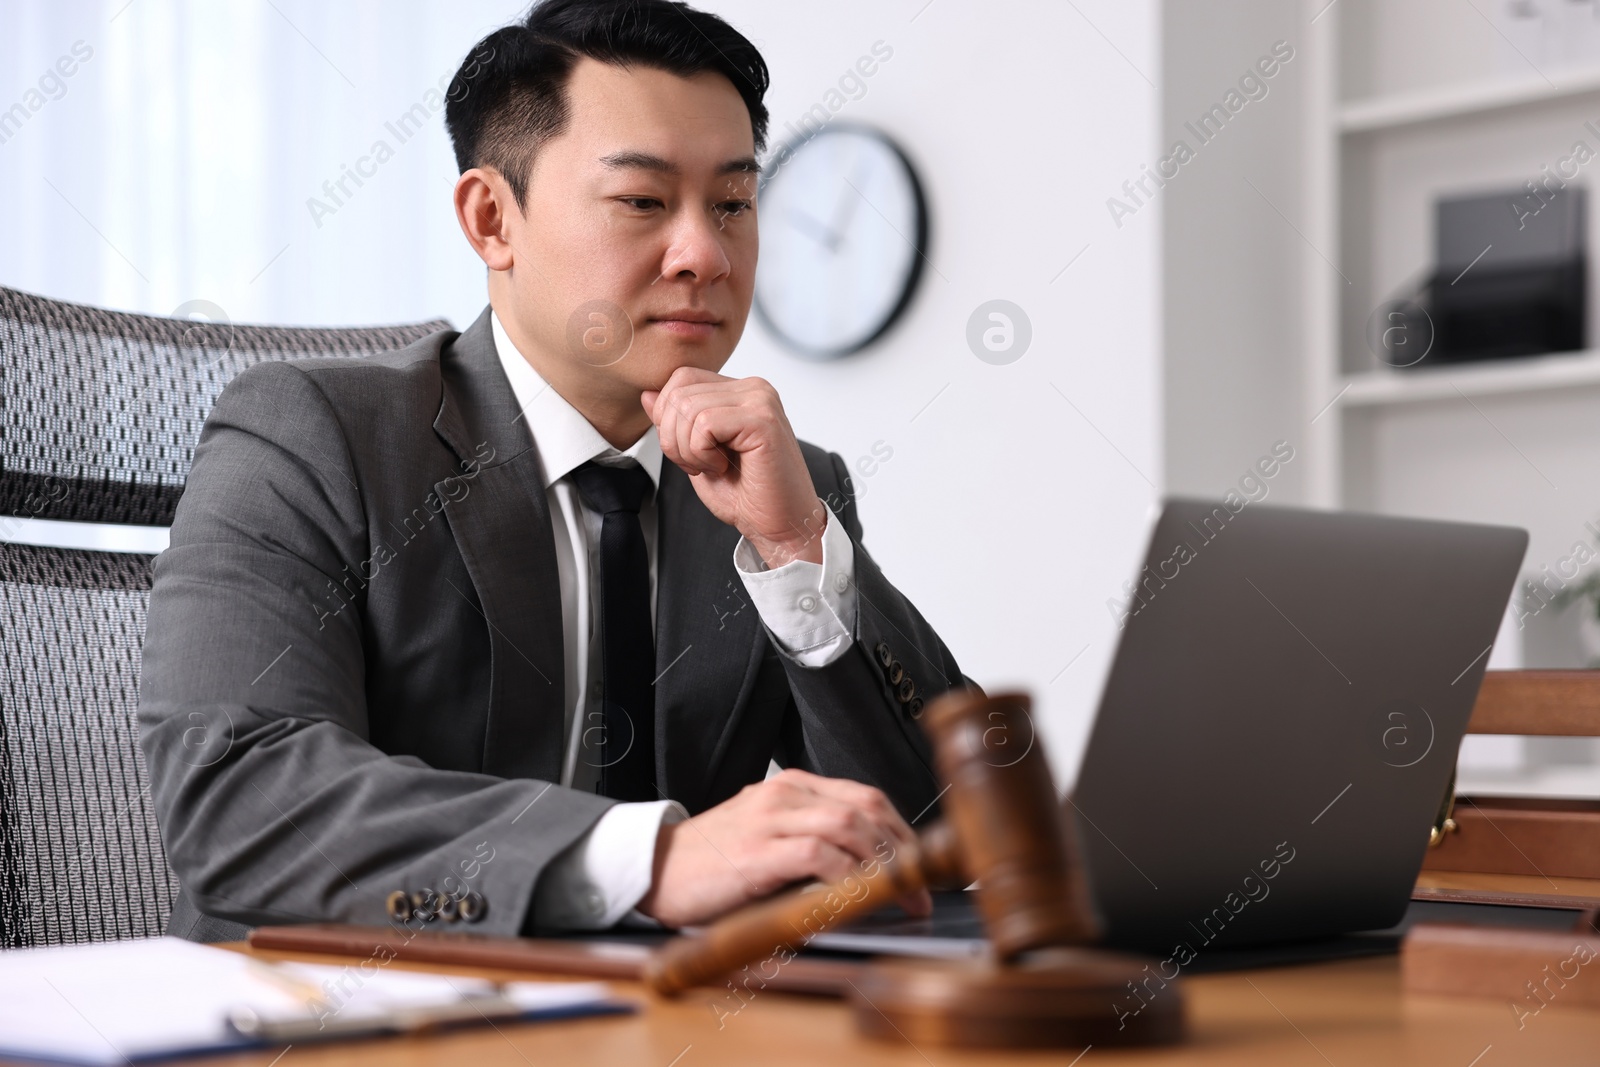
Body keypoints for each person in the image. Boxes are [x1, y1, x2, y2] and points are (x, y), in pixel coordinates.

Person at [139, 0, 967, 943]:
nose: (704, 253)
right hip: (353, 1019)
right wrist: (648, 858)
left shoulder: (778, 485)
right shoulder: (313, 435)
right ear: (493, 219)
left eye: (733, 203)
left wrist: (796, 548)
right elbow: (236, 800)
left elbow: (954, 829)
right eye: (644, 202)